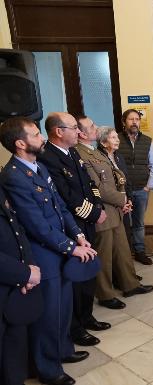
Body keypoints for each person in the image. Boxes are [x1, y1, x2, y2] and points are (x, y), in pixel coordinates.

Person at [0, 116, 98, 385]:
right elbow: (36, 225)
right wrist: (70, 247)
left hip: (61, 247)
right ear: (21, 143)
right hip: (44, 253)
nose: (42, 137)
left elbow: (60, 207)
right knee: (49, 314)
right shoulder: (13, 176)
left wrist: (77, 235)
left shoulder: (38, 167)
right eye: (35, 134)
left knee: (64, 308)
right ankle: (48, 369)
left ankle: (63, 350)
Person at [37, 112, 110, 348]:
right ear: (59, 131)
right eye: (73, 128)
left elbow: (89, 185)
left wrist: (97, 207)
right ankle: (76, 327)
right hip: (71, 227)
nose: (79, 132)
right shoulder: (48, 157)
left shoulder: (73, 152)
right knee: (75, 279)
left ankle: (87, 316)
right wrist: (93, 213)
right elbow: (66, 197)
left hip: (86, 223)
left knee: (87, 273)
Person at [75, 124, 153, 309]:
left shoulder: (94, 152)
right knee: (105, 256)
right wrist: (122, 199)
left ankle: (130, 285)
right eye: (92, 126)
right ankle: (105, 294)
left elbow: (116, 177)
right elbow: (98, 188)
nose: (95, 127)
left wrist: (124, 201)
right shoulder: (80, 154)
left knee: (123, 251)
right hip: (102, 211)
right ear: (81, 133)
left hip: (116, 209)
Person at [0, 184, 42, 385]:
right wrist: (25, 273)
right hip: (10, 278)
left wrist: (30, 266)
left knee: (15, 355)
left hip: (14, 286)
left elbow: (17, 229)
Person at [117, 109, 153, 265]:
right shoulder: (116, 139)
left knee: (139, 223)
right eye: (131, 119)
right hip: (121, 191)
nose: (134, 122)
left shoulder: (147, 141)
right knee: (123, 223)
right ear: (124, 122)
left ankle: (140, 251)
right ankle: (125, 253)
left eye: (137, 119)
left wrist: (149, 186)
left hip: (142, 189)